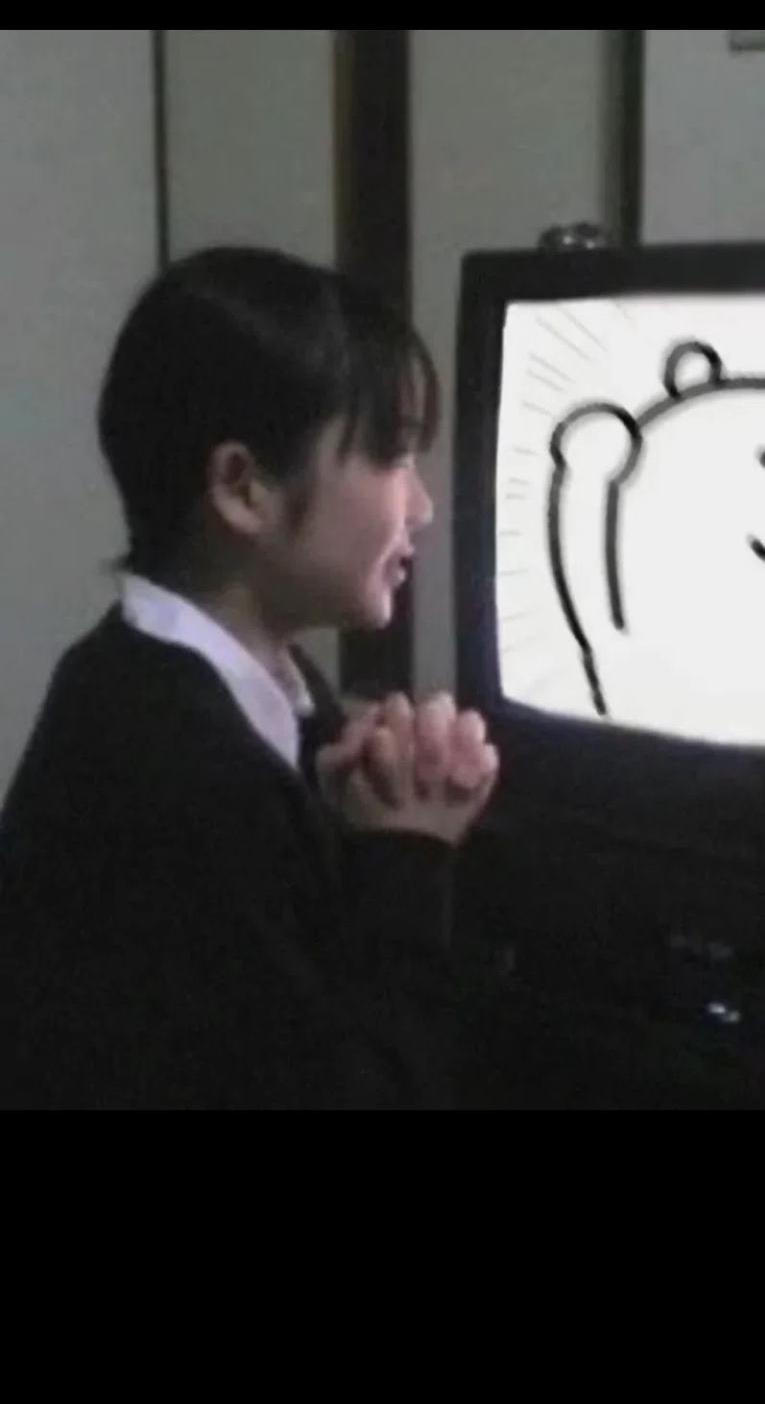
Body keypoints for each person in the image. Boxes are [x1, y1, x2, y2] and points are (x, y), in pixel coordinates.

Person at [0, 245, 500, 1109]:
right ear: (244, 487)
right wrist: (409, 858)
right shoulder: (174, 772)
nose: (420, 505)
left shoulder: (157, 676)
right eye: (392, 456)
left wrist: (356, 803)